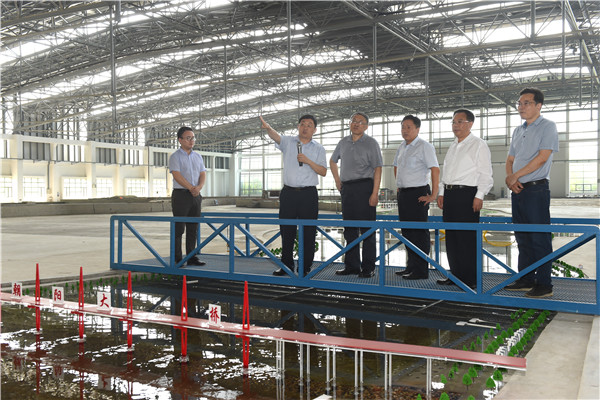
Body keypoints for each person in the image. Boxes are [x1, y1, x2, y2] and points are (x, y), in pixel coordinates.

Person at [505, 88, 559, 298]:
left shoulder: (548, 126)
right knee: (523, 237)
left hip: (536, 189)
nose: (521, 107)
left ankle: (544, 284)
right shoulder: (518, 130)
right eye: (519, 103)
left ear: (539, 105)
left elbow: (542, 157)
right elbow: (510, 159)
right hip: (518, 190)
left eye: (526, 103)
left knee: (539, 238)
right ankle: (526, 279)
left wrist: (515, 176)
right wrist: (510, 178)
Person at [260, 115, 327, 276]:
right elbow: (276, 137)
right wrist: (268, 128)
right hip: (288, 193)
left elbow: (323, 171)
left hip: (308, 195)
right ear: (298, 126)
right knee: (286, 230)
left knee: (309, 232)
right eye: (302, 124)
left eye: (309, 125)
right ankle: (286, 265)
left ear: (314, 130)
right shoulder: (289, 142)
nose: (305, 127)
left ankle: (305, 267)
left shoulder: (319, 148)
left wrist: (308, 161)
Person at [437, 109, 493, 289]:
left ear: (470, 124)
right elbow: (446, 172)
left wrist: (479, 195)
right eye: (454, 122)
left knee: (466, 238)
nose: (456, 125)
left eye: (460, 122)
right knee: (452, 237)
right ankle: (456, 276)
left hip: (467, 194)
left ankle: (470, 279)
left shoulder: (478, 145)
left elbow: (485, 173)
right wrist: (441, 192)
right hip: (450, 194)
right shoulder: (453, 146)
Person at [330, 112, 383, 278]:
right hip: (347, 189)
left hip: (365, 187)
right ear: (349, 123)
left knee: (367, 229)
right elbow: (332, 161)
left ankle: (368, 267)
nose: (356, 123)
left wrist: (375, 193)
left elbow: (378, 168)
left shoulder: (371, 143)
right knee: (349, 230)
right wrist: (337, 180)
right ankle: (352, 266)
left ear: (366, 126)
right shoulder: (343, 142)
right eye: (354, 121)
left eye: (360, 122)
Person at [393, 115, 439, 280]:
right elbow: (396, 166)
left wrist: (433, 195)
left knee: (419, 232)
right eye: (403, 127)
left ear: (417, 129)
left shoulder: (424, 146)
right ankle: (411, 266)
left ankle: (421, 270)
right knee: (407, 231)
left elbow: (435, 169)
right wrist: (399, 184)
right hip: (403, 193)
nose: (405, 130)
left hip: (418, 193)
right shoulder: (401, 147)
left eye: (409, 127)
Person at [168, 126, 207, 266]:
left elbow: (202, 173)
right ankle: (178, 258)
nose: (191, 141)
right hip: (181, 195)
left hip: (196, 195)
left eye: (193, 138)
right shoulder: (175, 157)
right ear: (180, 140)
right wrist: (191, 188)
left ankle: (191, 257)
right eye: (188, 138)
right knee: (179, 228)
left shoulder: (198, 156)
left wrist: (199, 188)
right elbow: (177, 175)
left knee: (193, 228)